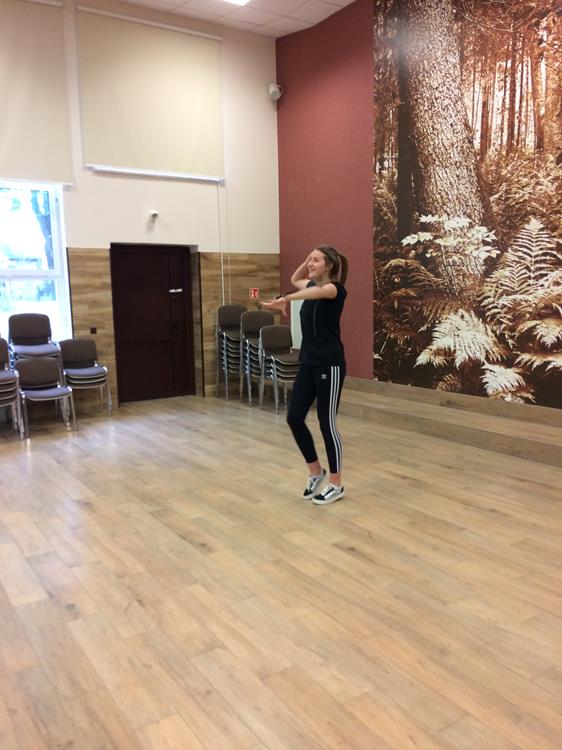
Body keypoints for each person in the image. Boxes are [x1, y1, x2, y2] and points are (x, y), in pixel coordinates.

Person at [262, 245, 348, 505]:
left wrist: (286, 299)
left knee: (326, 423)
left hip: (329, 364)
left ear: (329, 265)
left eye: (316, 260)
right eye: (309, 260)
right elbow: (294, 279)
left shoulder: (334, 289)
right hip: (308, 362)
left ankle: (336, 484)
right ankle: (316, 472)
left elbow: (316, 291)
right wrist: (309, 256)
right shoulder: (310, 285)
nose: (310, 264)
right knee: (294, 418)